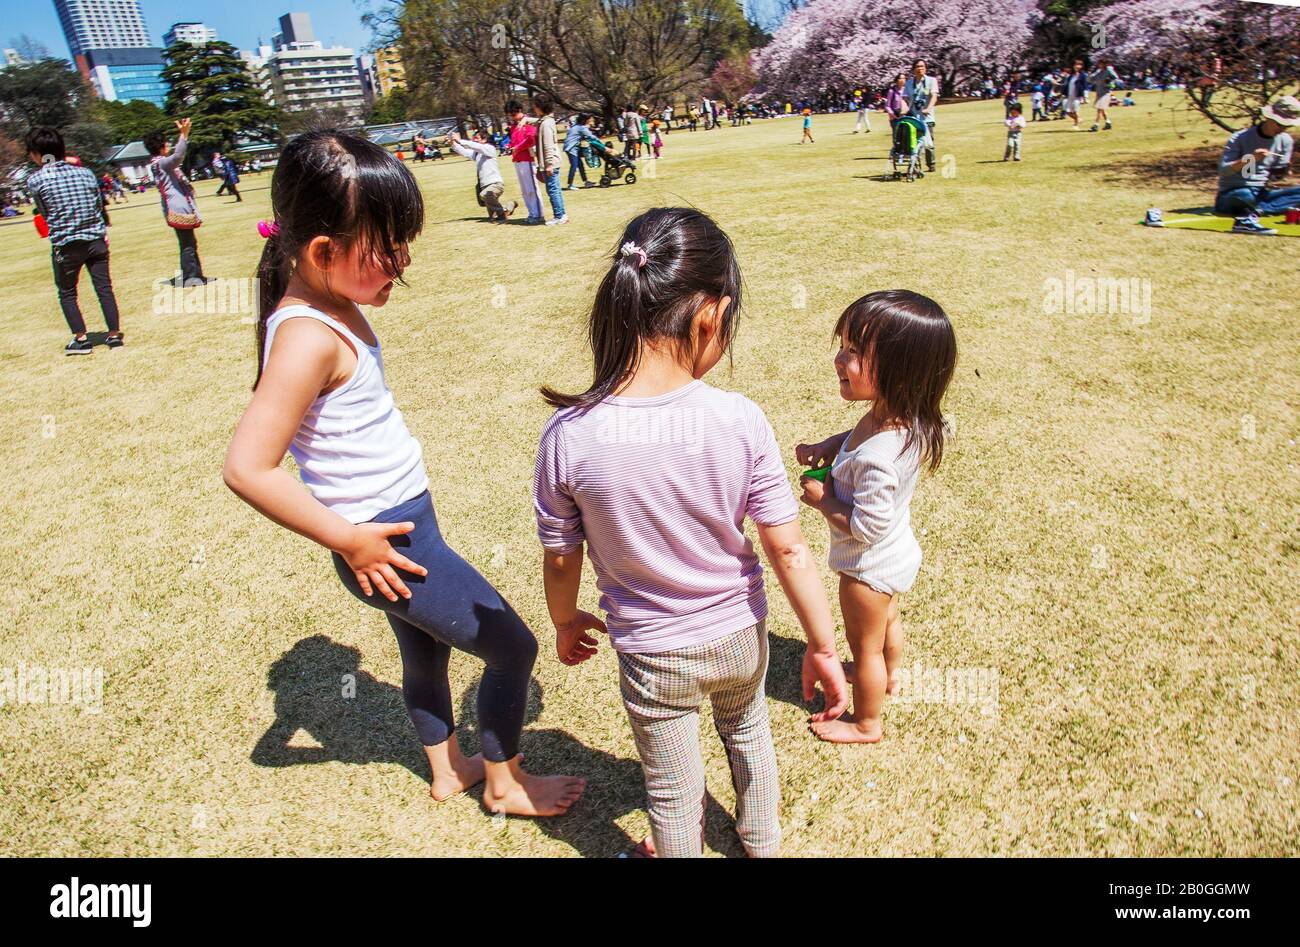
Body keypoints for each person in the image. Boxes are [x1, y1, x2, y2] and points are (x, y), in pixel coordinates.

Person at [224, 129, 585, 817]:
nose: (404, 259)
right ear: (323, 251)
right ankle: (506, 785)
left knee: (425, 657)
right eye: (387, 246)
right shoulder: (306, 336)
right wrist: (349, 539)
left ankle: (450, 769)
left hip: (403, 528)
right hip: (390, 542)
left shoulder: (327, 303)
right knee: (512, 647)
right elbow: (247, 467)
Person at [533, 207, 849, 857]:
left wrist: (565, 620)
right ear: (711, 316)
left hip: (652, 651)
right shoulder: (738, 419)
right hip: (737, 634)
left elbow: (561, 556)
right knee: (749, 734)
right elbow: (786, 547)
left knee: (672, 789)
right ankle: (761, 843)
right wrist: (821, 641)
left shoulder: (569, 435)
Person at [796, 291, 956, 744]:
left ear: (898, 372)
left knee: (864, 646)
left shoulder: (880, 460)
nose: (838, 359)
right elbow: (859, 436)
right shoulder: (902, 418)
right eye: (842, 346)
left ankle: (867, 722)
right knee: (887, 625)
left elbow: (867, 527)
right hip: (896, 555)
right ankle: (890, 674)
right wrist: (830, 445)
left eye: (853, 353)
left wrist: (824, 500)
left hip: (867, 569)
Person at [23, 126, 123, 355]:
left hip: (66, 244)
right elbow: (98, 206)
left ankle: (81, 339)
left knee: (67, 292)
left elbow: (45, 213)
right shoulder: (86, 173)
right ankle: (114, 335)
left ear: (37, 153)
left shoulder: (36, 180)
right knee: (104, 288)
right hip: (95, 240)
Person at [1214, 95, 1300, 236]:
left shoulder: (1285, 140)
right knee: (1245, 196)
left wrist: (1283, 171)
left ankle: (1257, 210)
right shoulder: (1240, 137)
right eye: (1280, 124)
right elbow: (1224, 170)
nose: (1282, 129)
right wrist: (1250, 159)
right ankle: (1268, 208)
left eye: (1287, 126)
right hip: (1234, 192)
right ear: (1268, 118)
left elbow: (1275, 177)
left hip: (1261, 193)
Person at [144, 118, 208, 286]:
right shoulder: (162, 164)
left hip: (176, 207)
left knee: (189, 242)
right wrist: (183, 135)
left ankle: (195, 274)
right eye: (166, 143)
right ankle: (191, 277)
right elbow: (178, 156)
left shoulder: (159, 165)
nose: (169, 146)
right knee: (187, 243)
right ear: (161, 147)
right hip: (177, 208)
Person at [449, 128, 517, 222]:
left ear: (485, 139)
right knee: (492, 217)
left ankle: (502, 215)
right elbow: (465, 152)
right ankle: (510, 206)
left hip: (495, 184)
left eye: (477, 138)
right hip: (484, 185)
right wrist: (453, 144)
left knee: (485, 195)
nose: (474, 140)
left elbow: (476, 146)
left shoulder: (489, 148)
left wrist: (459, 140)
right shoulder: (477, 153)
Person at [531, 93, 567, 226]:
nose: (534, 108)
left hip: (550, 163)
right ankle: (561, 214)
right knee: (554, 189)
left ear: (541, 106)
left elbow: (548, 146)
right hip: (550, 162)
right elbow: (535, 121)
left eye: (535, 105)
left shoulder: (546, 124)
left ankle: (559, 215)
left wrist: (549, 164)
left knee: (552, 190)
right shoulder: (546, 121)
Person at [506, 100, 543, 224]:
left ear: (520, 110)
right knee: (525, 190)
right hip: (518, 160)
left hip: (528, 160)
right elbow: (514, 141)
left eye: (513, 113)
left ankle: (538, 214)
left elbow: (531, 140)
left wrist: (517, 147)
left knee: (532, 189)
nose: (512, 116)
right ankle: (532, 213)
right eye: (510, 114)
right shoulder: (514, 126)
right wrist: (509, 146)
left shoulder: (527, 123)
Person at [903, 58, 939, 172]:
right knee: (914, 141)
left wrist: (928, 108)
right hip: (914, 116)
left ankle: (931, 163)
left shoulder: (931, 81)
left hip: (927, 116)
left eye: (922, 66)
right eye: (917, 66)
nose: (920, 69)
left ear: (925, 68)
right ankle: (914, 164)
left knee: (929, 141)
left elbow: (934, 96)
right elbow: (904, 97)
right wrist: (905, 108)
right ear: (913, 69)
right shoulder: (909, 83)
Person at [563, 113, 599, 189]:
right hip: (571, 148)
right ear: (585, 120)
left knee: (580, 165)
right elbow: (590, 136)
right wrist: (598, 139)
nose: (590, 120)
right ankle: (570, 184)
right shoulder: (582, 128)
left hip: (571, 147)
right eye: (589, 119)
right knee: (574, 166)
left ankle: (586, 182)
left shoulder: (576, 126)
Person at [1089, 58, 1121, 132]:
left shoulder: (1109, 70)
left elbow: (1116, 78)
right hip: (1099, 92)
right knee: (1102, 109)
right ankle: (1108, 123)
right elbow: (1091, 79)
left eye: (1101, 63)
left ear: (1105, 64)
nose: (1099, 65)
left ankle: (1095, 125)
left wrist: (1110, 83)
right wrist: (1089, 76)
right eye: (1099, 63)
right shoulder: (1098, 71)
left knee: (1099, 109)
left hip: (1106, 92)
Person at [1063, 58, 1088, 131]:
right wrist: (1064, 93)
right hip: (1069, 96)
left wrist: (1085, 97)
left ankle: (1075, 124)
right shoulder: (1071, 76)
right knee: (1068, 112)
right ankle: (1079, 119)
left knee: (1075, 110)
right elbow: (1067, 85)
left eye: (1079, 65)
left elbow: (1085, 86)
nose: (1077, 66)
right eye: (1076, 65)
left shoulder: (1082, 75)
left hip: (1077, 95)